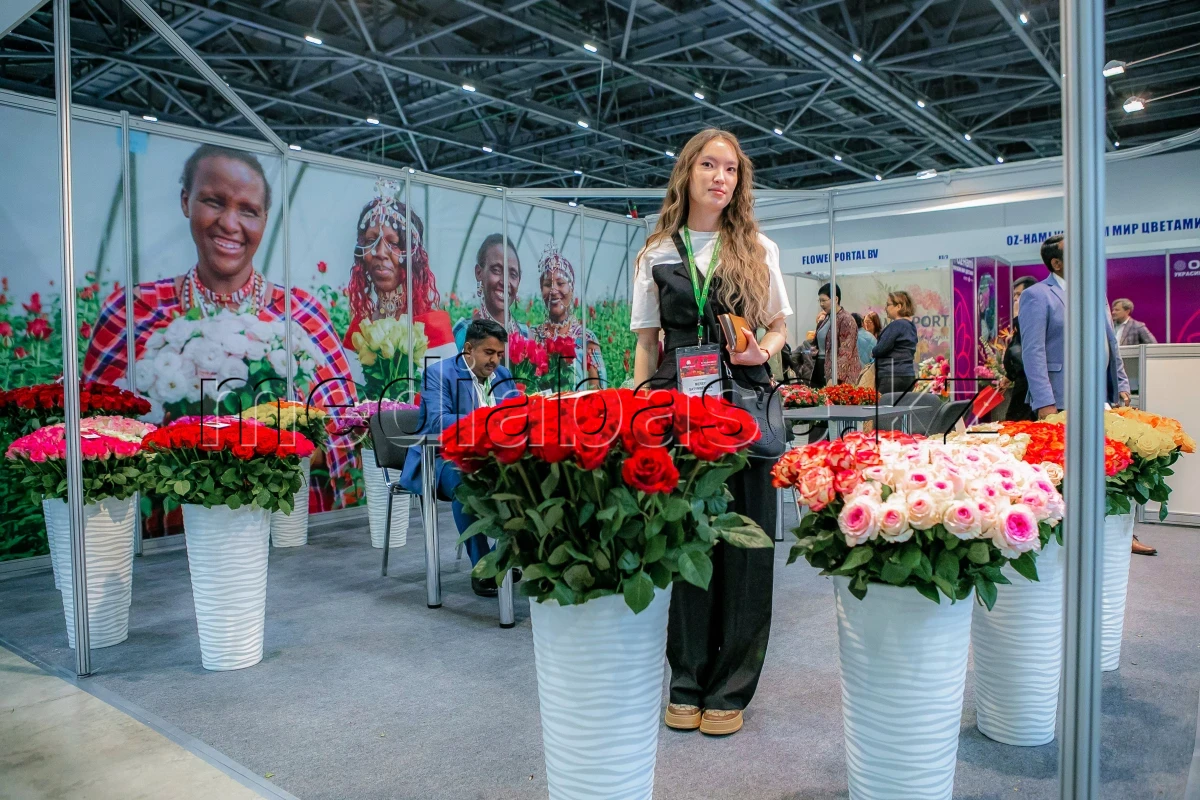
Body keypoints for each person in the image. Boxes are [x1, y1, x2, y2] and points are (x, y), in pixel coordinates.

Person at [82, 144, 358, 502]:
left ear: (264, 219)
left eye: (248, 210)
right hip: (165, 527)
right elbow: (91, 440)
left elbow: (345, 432)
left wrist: (280, 446)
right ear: (186, 201)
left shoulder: (301, 314)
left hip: (288, 518)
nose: (230, 223)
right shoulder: (134, 310)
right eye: (214, 201)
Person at [631, 128, 790, 738]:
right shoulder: (655, 252)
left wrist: (762, 352)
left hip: (744, 405)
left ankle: (730, 686)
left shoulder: (757, 248)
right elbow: (647, 344)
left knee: (747, 544)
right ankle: (688, 679)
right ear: (687, 173)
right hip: (676, 412)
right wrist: (637, 412)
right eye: (708, 165)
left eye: (730, 168)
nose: (720, 177)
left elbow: (778, 327)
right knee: (687, 542)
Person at [398, 319, 522, 596]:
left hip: (493, 459)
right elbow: (438, 423)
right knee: (466, 484)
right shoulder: (438, 374)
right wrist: (488, 420)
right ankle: (483, 567)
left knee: (528, 478)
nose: (495, 360)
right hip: (441, 460)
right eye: (489, 352)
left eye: (499, 354)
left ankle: (502, 554)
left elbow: (514, 416)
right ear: (468, 348)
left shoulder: (502, 376)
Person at [344, 178, 457, 360]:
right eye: (371, 241)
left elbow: (446, 387)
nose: (380, 252)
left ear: (413, 257)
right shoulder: (358, 331)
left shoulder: (433, 327)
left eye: (393, 243)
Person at [1019, 234, 1130, 418]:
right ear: (1057, 264)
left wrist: (1121, 382)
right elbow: (1033, 352)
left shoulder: (1096, 293)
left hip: (1100, 396)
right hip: (1060, 400)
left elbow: (1109, 342)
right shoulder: (1037, 295)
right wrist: (1045, 401)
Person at [531, 241, 607, 390]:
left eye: (560, 283)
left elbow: (596, 391)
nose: (553, 290)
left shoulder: (585, 338)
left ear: (571, 289)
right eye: (547, 284)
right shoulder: (533, 335)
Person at [452, 233, 530, 349]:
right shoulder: (463, 332)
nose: (505, 282)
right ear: (479, 273)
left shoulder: (527, 335)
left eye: (513, 274)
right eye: (496, 270)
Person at [1002, 276, 1038, 422]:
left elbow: (1025, 351)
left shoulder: (1035, 317)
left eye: (1019, 295)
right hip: (1021, 383)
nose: (1015, 300)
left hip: (1030, 386)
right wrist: (1009, 375)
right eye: (1014, 296)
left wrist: (1018, 316)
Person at [872, 290, 918, 396]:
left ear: (899, 306)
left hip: (891, 376)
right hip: (908, 375)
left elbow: (881, 349)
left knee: (885, 410)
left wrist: (873, 351)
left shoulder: (896, 325)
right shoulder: (911, 326)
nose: (885, 308)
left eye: (888, 305)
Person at [817, 283, 860, 385]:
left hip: (842, 377)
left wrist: (835, 377)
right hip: (824, 369)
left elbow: (845, 351)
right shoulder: (827, 318)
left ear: (835, 299)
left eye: (824, 300)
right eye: (820, 301)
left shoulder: (846, 319)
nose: (821, 304)